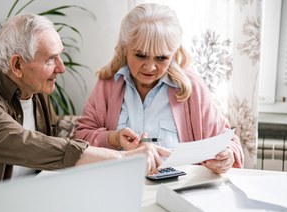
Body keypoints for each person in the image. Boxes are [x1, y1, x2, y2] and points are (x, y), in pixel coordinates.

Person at [0, 13, 169, 212]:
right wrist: (123, 158)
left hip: (27, 209)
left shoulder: (36, 91)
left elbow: (50, 151)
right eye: (51, 59)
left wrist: (113, 139)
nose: (61, 68)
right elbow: (31, 145)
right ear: (17, 65)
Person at [74, 3, 244, 174]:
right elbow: (79, 140)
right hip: (119, 186)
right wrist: (113, 138)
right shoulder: (108, 85)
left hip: (177, 191)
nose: (150, 67)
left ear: (173, 53)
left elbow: (227, 140)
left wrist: (227, 155)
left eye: (161, 58)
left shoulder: (191, 87)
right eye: (141, 55)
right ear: (125, 49)